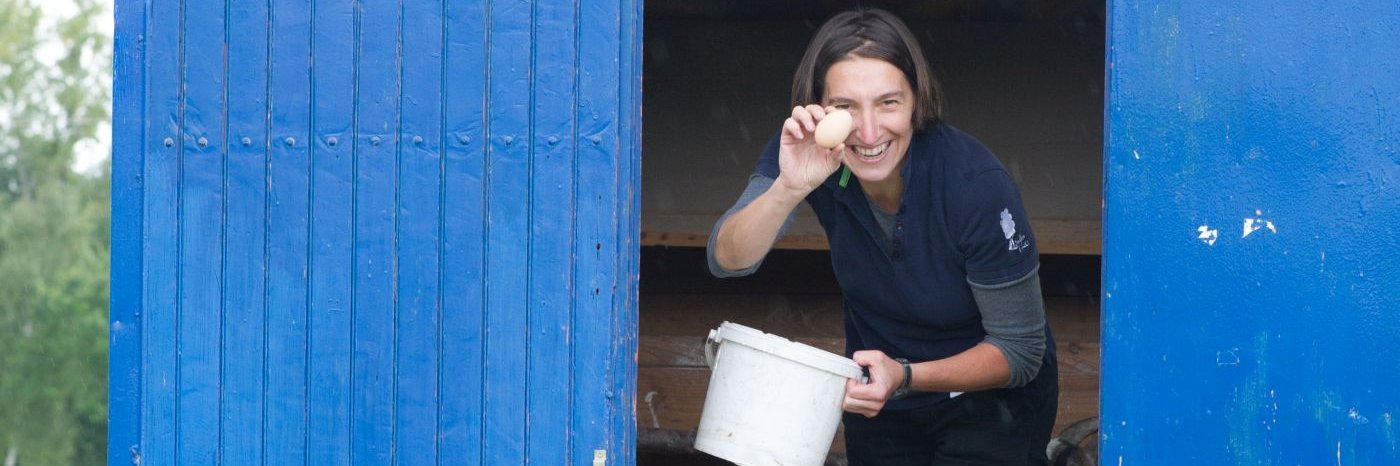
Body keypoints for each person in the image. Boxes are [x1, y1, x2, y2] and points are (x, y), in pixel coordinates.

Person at [706, 8, 1059, 465]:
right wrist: (789, 187)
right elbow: (728, 259)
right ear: (818, 107)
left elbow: (1020, 352)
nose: (869, 132)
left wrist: (907, 375)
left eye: (888, 102)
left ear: (917, 101)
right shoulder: (806, 150)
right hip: (881, 395)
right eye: (845, 107)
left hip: (993, 400)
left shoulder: (975, 184)